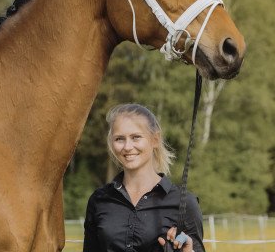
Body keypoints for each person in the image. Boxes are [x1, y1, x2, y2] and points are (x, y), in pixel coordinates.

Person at [83, 103, 205, 252]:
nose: (127, 147)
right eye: (119, 139)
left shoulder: (185, 203)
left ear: (155, 139)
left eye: (136, 137)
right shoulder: (99, 200)